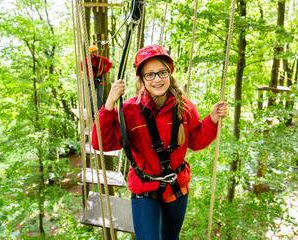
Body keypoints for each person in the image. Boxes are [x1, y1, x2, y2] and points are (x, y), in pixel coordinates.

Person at [92, 44, 228, 240]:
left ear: (169, 74)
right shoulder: (130, 110)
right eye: (150, 74)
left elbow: (196, 141)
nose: (157, 79)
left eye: (161, 72)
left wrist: (212, 119)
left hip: (176, 187)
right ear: (142, 79)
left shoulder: (184, 106)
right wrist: (109, 105)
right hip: (144, 188)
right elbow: (101, 144)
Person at [85, 45, 112, 116]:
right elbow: (81, 66)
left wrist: (104, 71)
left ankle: (100, 113)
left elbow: (109, 63)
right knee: (91, 97)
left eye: (97, 51)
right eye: (95, 52)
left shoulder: (101, 59)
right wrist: (88, 73)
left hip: (100, 79)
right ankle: (92, 113)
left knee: (99, 97)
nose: (97, 53)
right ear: (91, 53)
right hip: (91, 79)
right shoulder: (86, 60)